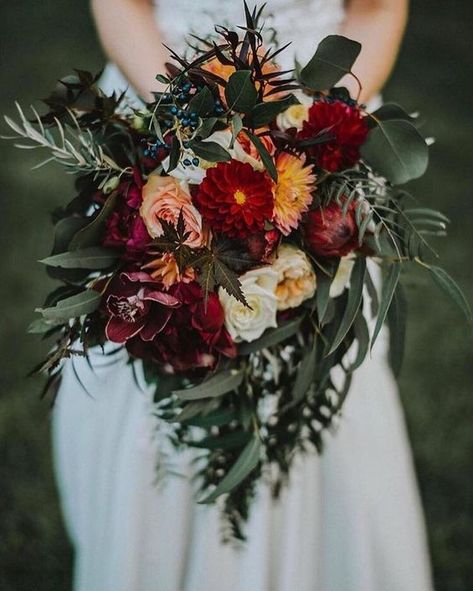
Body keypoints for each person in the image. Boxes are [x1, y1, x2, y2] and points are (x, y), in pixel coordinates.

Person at [52, 1, 434, 590]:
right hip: (158, 103)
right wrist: (196, 125)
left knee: (319, 372)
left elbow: (379, 11)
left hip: (317, 127)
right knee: (147, 358)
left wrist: (299, 130)